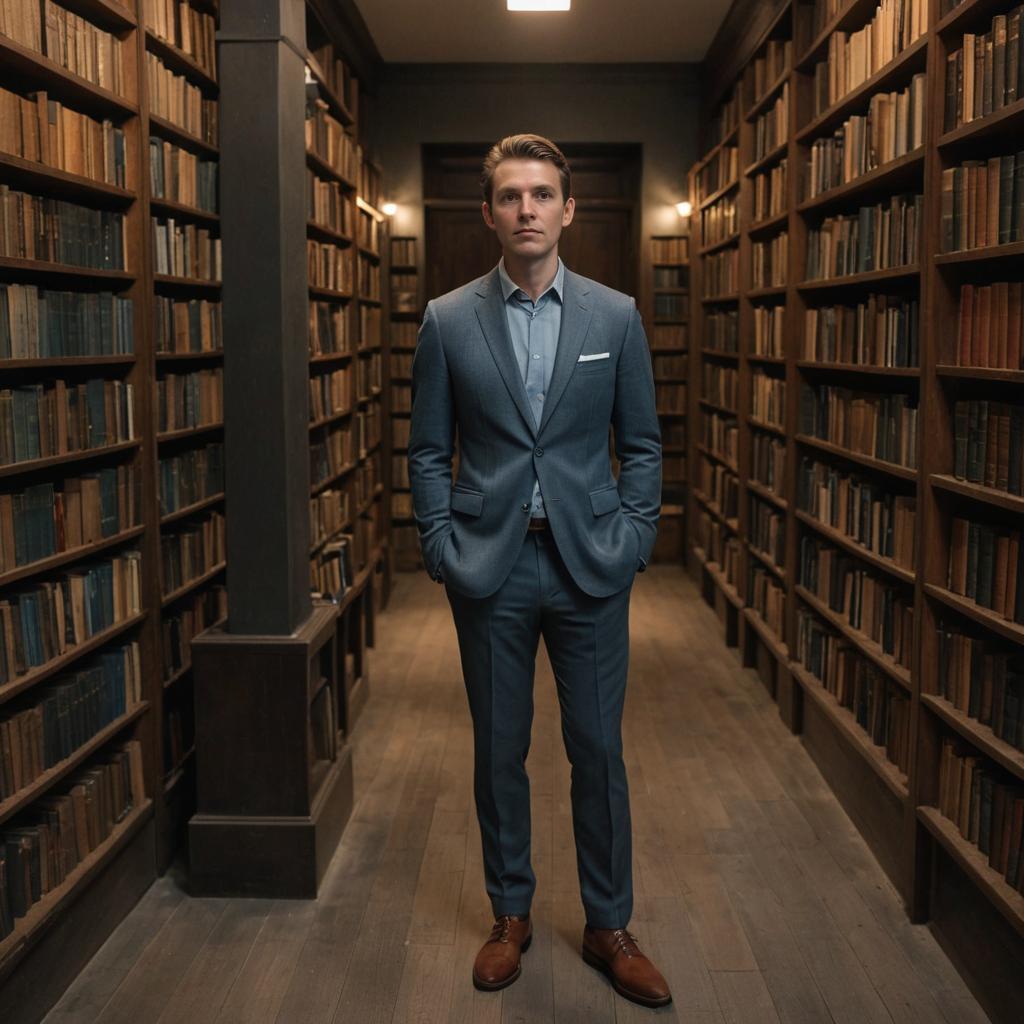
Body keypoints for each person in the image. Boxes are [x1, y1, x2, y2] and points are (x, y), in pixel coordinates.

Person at [407, 133, 670, 1009]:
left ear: (567, 209)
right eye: (512, 195)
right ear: (489, 212)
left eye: (543, 194)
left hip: (593, 566)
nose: (528, 209)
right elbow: (425, 449)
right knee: (499, 752)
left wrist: (634, 538)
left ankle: (609, 924)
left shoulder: (616, 315)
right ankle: (509, 915)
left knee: (597, 751)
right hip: (491, 567)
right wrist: (440, 544)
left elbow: (640, 443)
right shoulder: (447, 319)